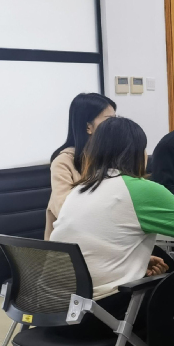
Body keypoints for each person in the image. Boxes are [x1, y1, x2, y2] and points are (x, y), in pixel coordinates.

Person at [51, 117, 174, 301]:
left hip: (56, 303)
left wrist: (139, 260)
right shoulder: (141, 189)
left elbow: (94, 240)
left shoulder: (79, 189)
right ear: (138, 153)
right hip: (101, 304)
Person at [46, 93, 116, 239]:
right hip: (71, 243)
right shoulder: (63, 162)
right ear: (88, 127)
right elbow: (65, 212)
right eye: (109, 120)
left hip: (104, 236)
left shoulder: (110, 156)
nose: (115, 126)